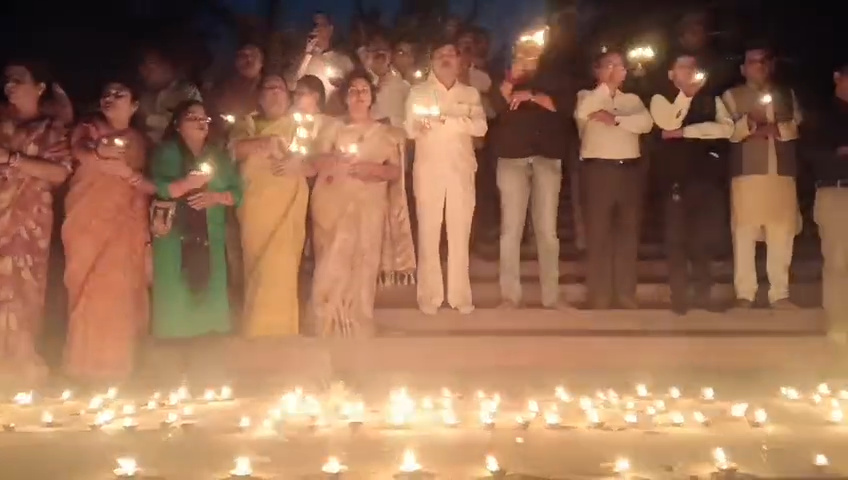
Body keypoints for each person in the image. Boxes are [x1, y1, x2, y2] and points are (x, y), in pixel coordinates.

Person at [310, 71, 415, 336]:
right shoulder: (331, 128)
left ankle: (359, 322)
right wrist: (335, 161)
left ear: (372, 97)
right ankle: (327, 323)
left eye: (364, 90)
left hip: (370, 205)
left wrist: (373, 170)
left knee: (365, 263)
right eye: (353, 91)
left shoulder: (387, 133)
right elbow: (314, 162)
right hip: (333, 203)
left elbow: (395, 172)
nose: (359, 95)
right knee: (332, 262)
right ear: (345, 97)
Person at [63, 80, 152, 381]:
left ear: (134, 105)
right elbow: (82, 152)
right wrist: (101, 152)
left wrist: (144, 232)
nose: (110, 98)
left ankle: (117, 367)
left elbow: (143, 186)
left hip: (124, 225)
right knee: (84, 286)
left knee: (117, 288)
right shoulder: (88, 127)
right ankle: (83, 367)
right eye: (106, 94)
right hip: (85, 220)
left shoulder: (137, 140)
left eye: (119, 94)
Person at [0, 60, 72, 381]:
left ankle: (21, 363)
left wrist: (13, 159)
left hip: (29, 220)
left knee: (23, 287)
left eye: (18, 79)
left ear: (40, 87)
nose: (10, 85)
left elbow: (59, 172)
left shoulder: (51, 128)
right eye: (7, 80)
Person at [405, 37, 487, 315]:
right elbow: (410, 128)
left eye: (451, 54)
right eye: (440, 54)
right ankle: (429, 296)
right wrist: (434, 124)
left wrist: (447, 121)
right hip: (429, 171)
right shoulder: (418, 92)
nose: (446, 59)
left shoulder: (470, 93)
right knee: (429, 233)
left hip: (461, 170)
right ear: (432, 61)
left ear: (459, 60)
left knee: (460, 234)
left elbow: (480, 127)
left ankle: (460, 296)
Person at [649, 53, 734, 314]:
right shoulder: (661, 98)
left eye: (692, 67)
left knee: (703, 240)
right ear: (671, 74)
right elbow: (668, 123)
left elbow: (726, 129)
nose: (688, 71)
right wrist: (686, 96)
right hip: (675, 179)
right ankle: (679, 297)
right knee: (676, 240)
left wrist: (686, 132)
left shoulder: (712, 99)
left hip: (706, 178)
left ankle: (703, 294)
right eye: (682, 67)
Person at [150, 100, 242, 339]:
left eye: (204, 119)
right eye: (192, 117)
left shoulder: (218, 156)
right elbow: (158, 186)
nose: (201, 123)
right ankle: (173, 340)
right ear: (177, 125)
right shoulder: (166, 152)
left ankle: (209, 337)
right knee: (175, 284)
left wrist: (216, 197)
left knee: (212, 282)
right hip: (174, 234)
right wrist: (186, 184)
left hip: (211, 233)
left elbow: (238, 192)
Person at [491, 29, 568, 310]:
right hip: (512, 159)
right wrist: (512, 80)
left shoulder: (554, 78)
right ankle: (509, 295)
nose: (528, 55)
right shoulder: (505, 78)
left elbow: (561, 107)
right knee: (510, 230)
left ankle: (552, 296)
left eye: (533, 51)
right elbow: (495, 108)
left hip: (546, 158)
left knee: (547, 231)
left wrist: (531, 95)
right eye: (524, 51)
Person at [722, 45, 802, 309]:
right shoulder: (732, 96)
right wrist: (754, 126)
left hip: (781, 174)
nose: (759, 66)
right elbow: (731, 132)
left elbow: (794, 127)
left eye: (764, 61)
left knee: (782, 232)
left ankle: (780, 293)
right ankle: (745, 293)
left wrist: (768, 128)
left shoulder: (786, 94)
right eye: (753, 61)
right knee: (744, 233)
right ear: (743, 68)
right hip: (747, 174)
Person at [230, 74, 308, 337]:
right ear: (260, 96)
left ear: (288, 96)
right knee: (259, 265)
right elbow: (234, 151)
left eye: (280, 88)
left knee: (282, 266)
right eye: (269, 88)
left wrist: (298, 161)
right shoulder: (247, 124)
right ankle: (257, 330)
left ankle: (282, 331)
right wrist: (265, 143)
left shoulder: (300, 125)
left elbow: (313, 155)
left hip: (289, 203)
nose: (275, 93)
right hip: (256, 205)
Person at [574, 50, 654, 309]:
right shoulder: (587, 96)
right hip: (599, 170)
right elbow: (582, 113)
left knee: (627, 233)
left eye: (619, 66)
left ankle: (625, 293)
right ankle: (599, 294)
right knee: (598, 233)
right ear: (597, 70)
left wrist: (615, 119)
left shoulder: (632, 100)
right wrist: (604, 87)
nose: (616, 70)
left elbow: (645, 123)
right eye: (609, 65)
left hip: (629, 171)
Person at [802, 62, 848, 342]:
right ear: (837, 78)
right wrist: (839, 153)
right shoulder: (821, 115)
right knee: (838, 261)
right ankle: (840, 322)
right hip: (835, 192)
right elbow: (811, 154)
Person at [137, 47, 203, 144]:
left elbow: (191, 125)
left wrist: (149, 120)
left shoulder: (186, 92)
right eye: (143, 65)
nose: (144, 70)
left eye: (151, 64)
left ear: (166, 65)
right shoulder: (144, 98)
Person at [294, 12, 355, 111]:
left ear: (330, 29)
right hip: (313, 115)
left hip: (338, 114)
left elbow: (354, 86)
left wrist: (343, 85)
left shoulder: (344, 60)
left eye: (321, 25)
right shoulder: (306, 60)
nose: (317, 29)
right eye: (314, 25)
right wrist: (308, 54)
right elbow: (295, 84)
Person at [366, 34, 410, 128]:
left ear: (390, 55)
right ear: (367, 54)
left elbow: (410, 118)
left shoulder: (403, 86)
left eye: (383, 50)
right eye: (375, 50)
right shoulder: (360, 84)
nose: (379, 53)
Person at [210, 42, 264, 118]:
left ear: (261, 63)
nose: (249, 60)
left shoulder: (269, 88)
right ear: (236, 62)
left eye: (254, 56)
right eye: (243, 56)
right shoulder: (224, 89)